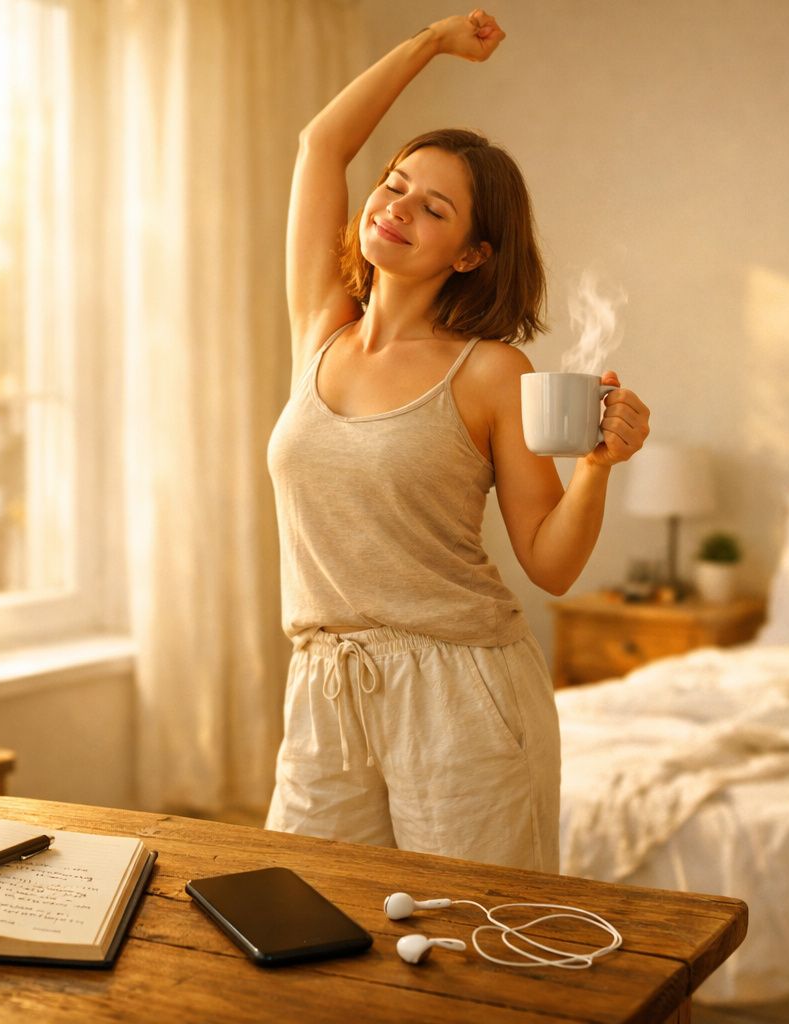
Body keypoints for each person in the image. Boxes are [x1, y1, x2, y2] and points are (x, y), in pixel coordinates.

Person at [264, 8, 651, 871]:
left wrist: (596, 468)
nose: (396, 206)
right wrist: (431, 45)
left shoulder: (490, 373)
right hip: (326, 684)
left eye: (432, 207)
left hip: (462, 691)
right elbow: (320, 145)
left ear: (473, 254)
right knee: (305, 927)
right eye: (395, 184)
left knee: (472, 952)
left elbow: (549, 564)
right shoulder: (320, 330)